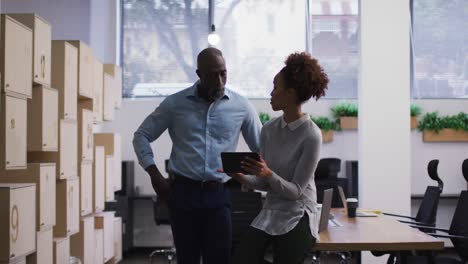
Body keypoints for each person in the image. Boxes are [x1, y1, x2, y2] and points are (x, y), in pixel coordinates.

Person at [132, 47, 262, 264]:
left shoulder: (241, 106)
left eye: (223, 73)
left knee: (219, 259)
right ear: (199, 74)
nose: (220, 81)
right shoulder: (175, 104)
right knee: (187, 260)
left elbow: (261, 148)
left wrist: (254, 178)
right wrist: (154, 173)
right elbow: (141, 136)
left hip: (219, 195)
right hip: (183, 194)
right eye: (212, 75)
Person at [229, 52, 329, 264]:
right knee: (241, 259)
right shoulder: (269, 130)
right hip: (271, 211)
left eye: (276, 87)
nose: (271, 93)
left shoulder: (311, 135)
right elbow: (266, 183)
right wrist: (241, 177)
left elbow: (295, 192)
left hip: (299, 211)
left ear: (291, 93)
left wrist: (268, 174)